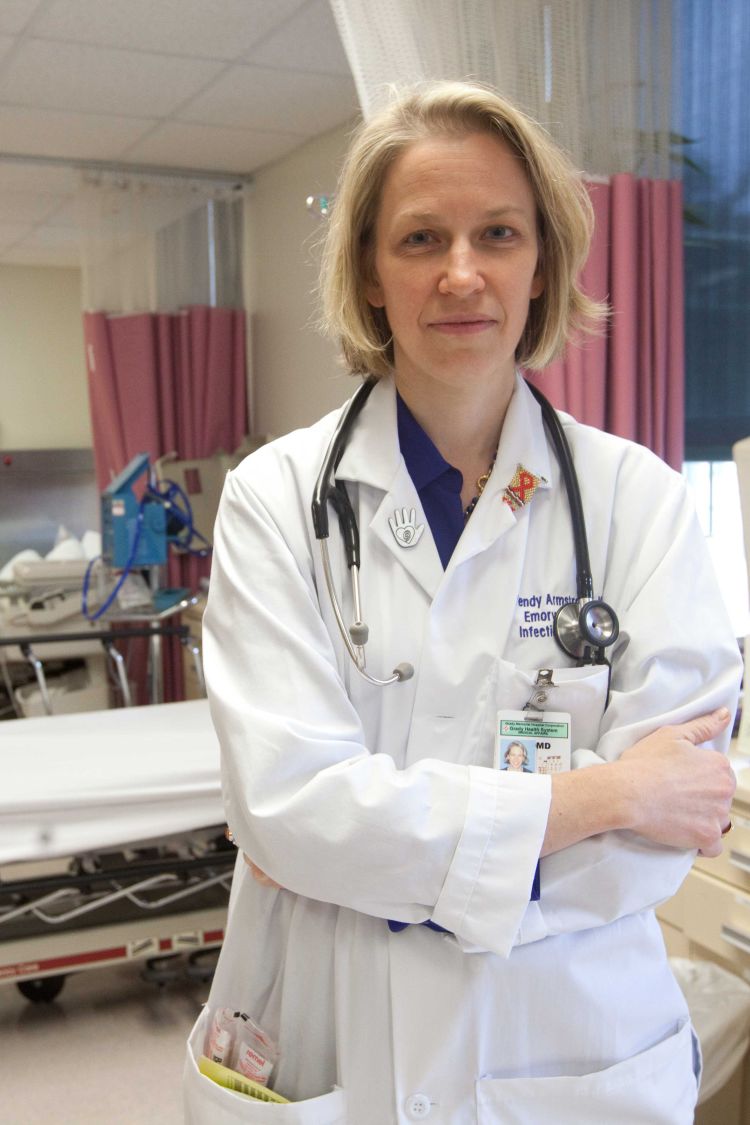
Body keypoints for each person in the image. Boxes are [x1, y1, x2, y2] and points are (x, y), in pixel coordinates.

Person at [184, 81, 741, 1124]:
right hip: (329, 1035)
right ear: (368, 271)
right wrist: (602, 796)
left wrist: (375, 853)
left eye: (498, 233)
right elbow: (291, 809)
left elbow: (662, 842)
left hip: (569, 1054)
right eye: (419, 238)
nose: (461, 273)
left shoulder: (641, 503)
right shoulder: (277, 501)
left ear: (542, 264)